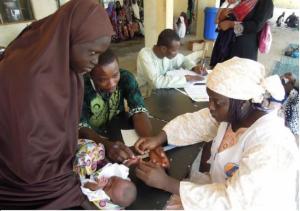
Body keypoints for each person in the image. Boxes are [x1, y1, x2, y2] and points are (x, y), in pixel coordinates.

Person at [134, 57, 299, 210]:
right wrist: (159, 138)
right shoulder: (238, 116)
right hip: (223, 190)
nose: (210, 106)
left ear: (243, 102)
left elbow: (235, 202)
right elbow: (197, 123)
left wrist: (167, 183)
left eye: (217, 102)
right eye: (209, 99)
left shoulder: (272, 145)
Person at [0, 0, 114, 209]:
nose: (95, 62)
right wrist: (73, 193)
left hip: (49, 166)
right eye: (92, 52)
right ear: (66, 39)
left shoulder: (68, 69)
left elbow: (61, 134)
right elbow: (30, 163)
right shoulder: (30, 81)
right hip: (23, 179)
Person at [79, 49, 152, 163]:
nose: (112, 83)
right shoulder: (81, 88)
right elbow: (82, 127)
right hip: (93, 136)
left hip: (118, 128)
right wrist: (105, 145)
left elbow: (138, 110)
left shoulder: (126, 78)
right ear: (91, 76)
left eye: (115, 75)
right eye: (103, 80)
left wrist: (148, 140)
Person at [136, 29, 206, 94]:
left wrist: (194, 67)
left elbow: (183, 59)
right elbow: (156, 82)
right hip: (146, 93)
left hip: (162, 91)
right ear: (163, 49)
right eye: (174, 50)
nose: (177, 53)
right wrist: (186, 78)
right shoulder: (145, 55)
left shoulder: (166, 55)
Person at [74, 139, 137, 209]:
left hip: (87, 173)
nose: (109, 182)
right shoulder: (121, 177)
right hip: (97, 161)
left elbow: (85, 185)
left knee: (80, 162)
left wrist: (96, 186)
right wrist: (130, 162)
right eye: (114, 179)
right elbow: (123, 168)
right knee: (92, 147)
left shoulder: (101, 195)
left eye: (108, 187)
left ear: (111, 199)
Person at [210, 0, 274, 68]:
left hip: (242, 48)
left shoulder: (265, 2)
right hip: (224, 43)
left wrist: (231, 25)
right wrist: (221, 17)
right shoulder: (238, 1)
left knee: (236, 74)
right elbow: (219, 21)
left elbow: (256, 26)